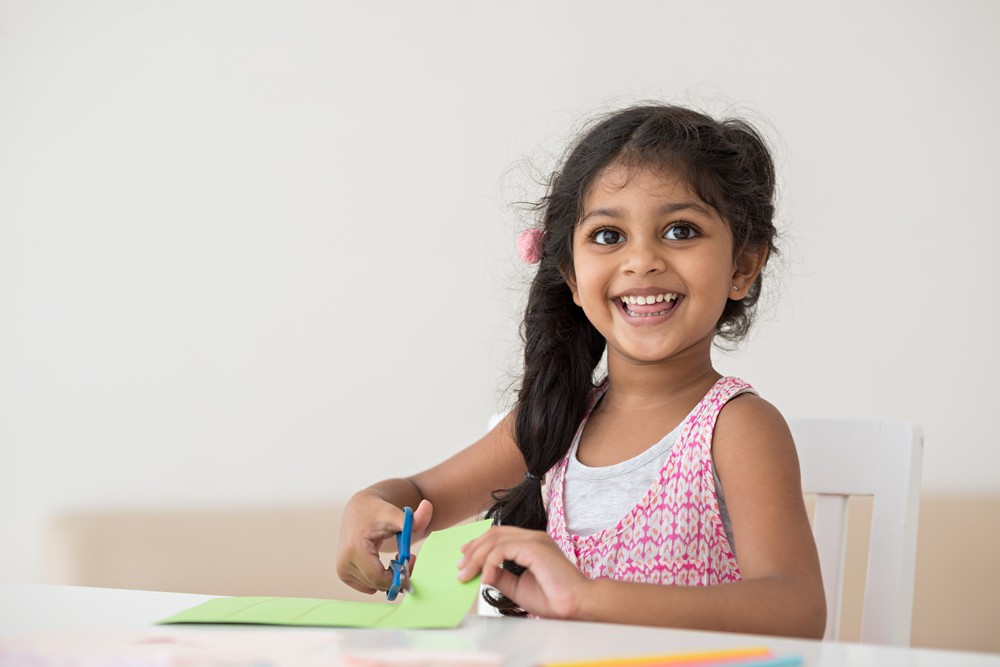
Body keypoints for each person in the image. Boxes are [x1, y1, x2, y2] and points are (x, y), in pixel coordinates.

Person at [335, 104, 826, 638]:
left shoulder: (736, 428)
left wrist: (589, 598)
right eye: (609, 236)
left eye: (681, 231)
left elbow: (796, 611)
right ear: (570, 273)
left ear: (743, 267)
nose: (642, 261)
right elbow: (415, 491)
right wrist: (368, 508)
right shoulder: (553, 422)